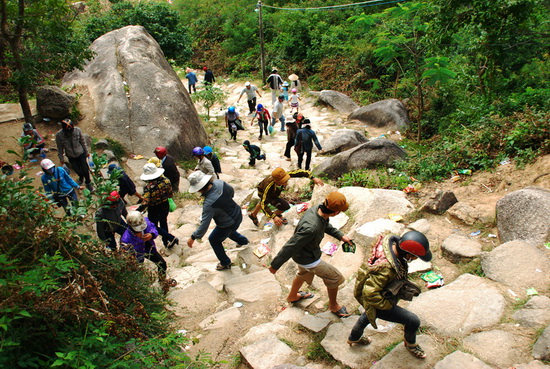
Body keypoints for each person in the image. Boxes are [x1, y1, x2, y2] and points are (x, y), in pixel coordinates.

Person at [348, 231, 432, 359]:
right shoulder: (386, 268)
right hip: (377, 300)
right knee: (413, 321)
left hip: (376, 294)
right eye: (415, 256)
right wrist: (386, 305)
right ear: (407, 254)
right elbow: (370, 293)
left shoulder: (390, 245)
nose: (415, 259)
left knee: (369, 314)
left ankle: (354, 337)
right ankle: (411, 344)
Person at [269, 192, 352, 317]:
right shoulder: (311, 227)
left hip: (303, 254)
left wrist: (341, 236)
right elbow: (290, 246)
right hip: (308, 258)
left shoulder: (317, 209)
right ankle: (334, 306)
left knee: (303, 273)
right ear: (336, 212)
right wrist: (274, 266)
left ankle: (292, 296)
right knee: (335, 277)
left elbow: (325, 225)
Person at [187, 171, 249, 271]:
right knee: (227, 231)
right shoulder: (220, 183)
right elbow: (231, 192)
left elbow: (204, 224)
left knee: (214, 239)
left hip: (228, 223)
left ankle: (225, 262)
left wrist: (193, 236)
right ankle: (243, 241)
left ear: (199, 189)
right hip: (237, 213)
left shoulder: (209, 204)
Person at [248, 167, 323, 227]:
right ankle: (264, 215)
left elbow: (300, 172)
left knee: (271, 203)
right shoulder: (268, 187)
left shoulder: (284, 175)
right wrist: (273, 217)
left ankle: (253, 215)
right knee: (265, 201)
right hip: (263, 191)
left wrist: (313, 178)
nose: (286, 183)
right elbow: (264, 203)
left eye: (286, 180)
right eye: (283, 181)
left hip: (274, 192)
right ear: (276, 181)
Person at [121, 211, 177, 287]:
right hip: (136, 255)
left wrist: (152, 234)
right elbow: (125, 256)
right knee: (136, 273)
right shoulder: (126, 239)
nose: (141, 231)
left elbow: (153, 228)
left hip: (148, 248)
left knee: (162, 264)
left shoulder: (146, 221)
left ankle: (162, 282)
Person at [136, 163, 178, 248]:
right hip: (165, 204)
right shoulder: (166, 180)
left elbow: (145, 202)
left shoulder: (149, 187)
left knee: (153, 226)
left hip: (154, 208)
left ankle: (171, 237)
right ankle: (166, 241)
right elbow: (170, 194)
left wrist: (137, 210)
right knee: (163, 221)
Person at [55, 118, 94, 191]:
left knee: (85, 169)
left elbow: (83, 142)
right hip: (71, 156)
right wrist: (61, 159)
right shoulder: (59, 135)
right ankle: (81, 177)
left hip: (80, 153)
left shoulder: (77, 130)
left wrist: (86, 152)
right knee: (77, 170)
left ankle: (88, 182)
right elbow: (60, 148)